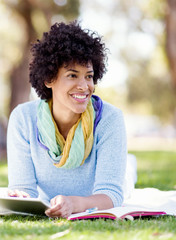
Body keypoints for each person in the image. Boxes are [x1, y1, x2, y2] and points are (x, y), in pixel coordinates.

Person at [7, 21, 130, 218]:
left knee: (126, 175)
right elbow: (24, 189)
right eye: (72, 75)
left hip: (97, 195)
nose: (84, 86)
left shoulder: (110, 119)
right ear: (49, 79)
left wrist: (73, 203)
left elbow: (111, 194)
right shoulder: (23, 119)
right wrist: (20, 197)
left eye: (89, 76)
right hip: (59, 203)